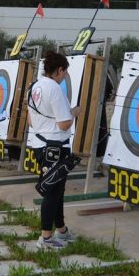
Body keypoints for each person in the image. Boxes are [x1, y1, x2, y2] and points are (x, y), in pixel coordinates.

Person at [27, 51, 82, 249]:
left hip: (40, 144)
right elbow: (65, 124)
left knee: (57, 190)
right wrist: (75, 112)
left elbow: (31, 122)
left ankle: (61, 230)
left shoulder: (35, 86)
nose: (64, 77)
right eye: (64, 73)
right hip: (55, 148)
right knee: (52, 193)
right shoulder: (54, 89)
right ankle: (46, 238)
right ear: (59, 70)